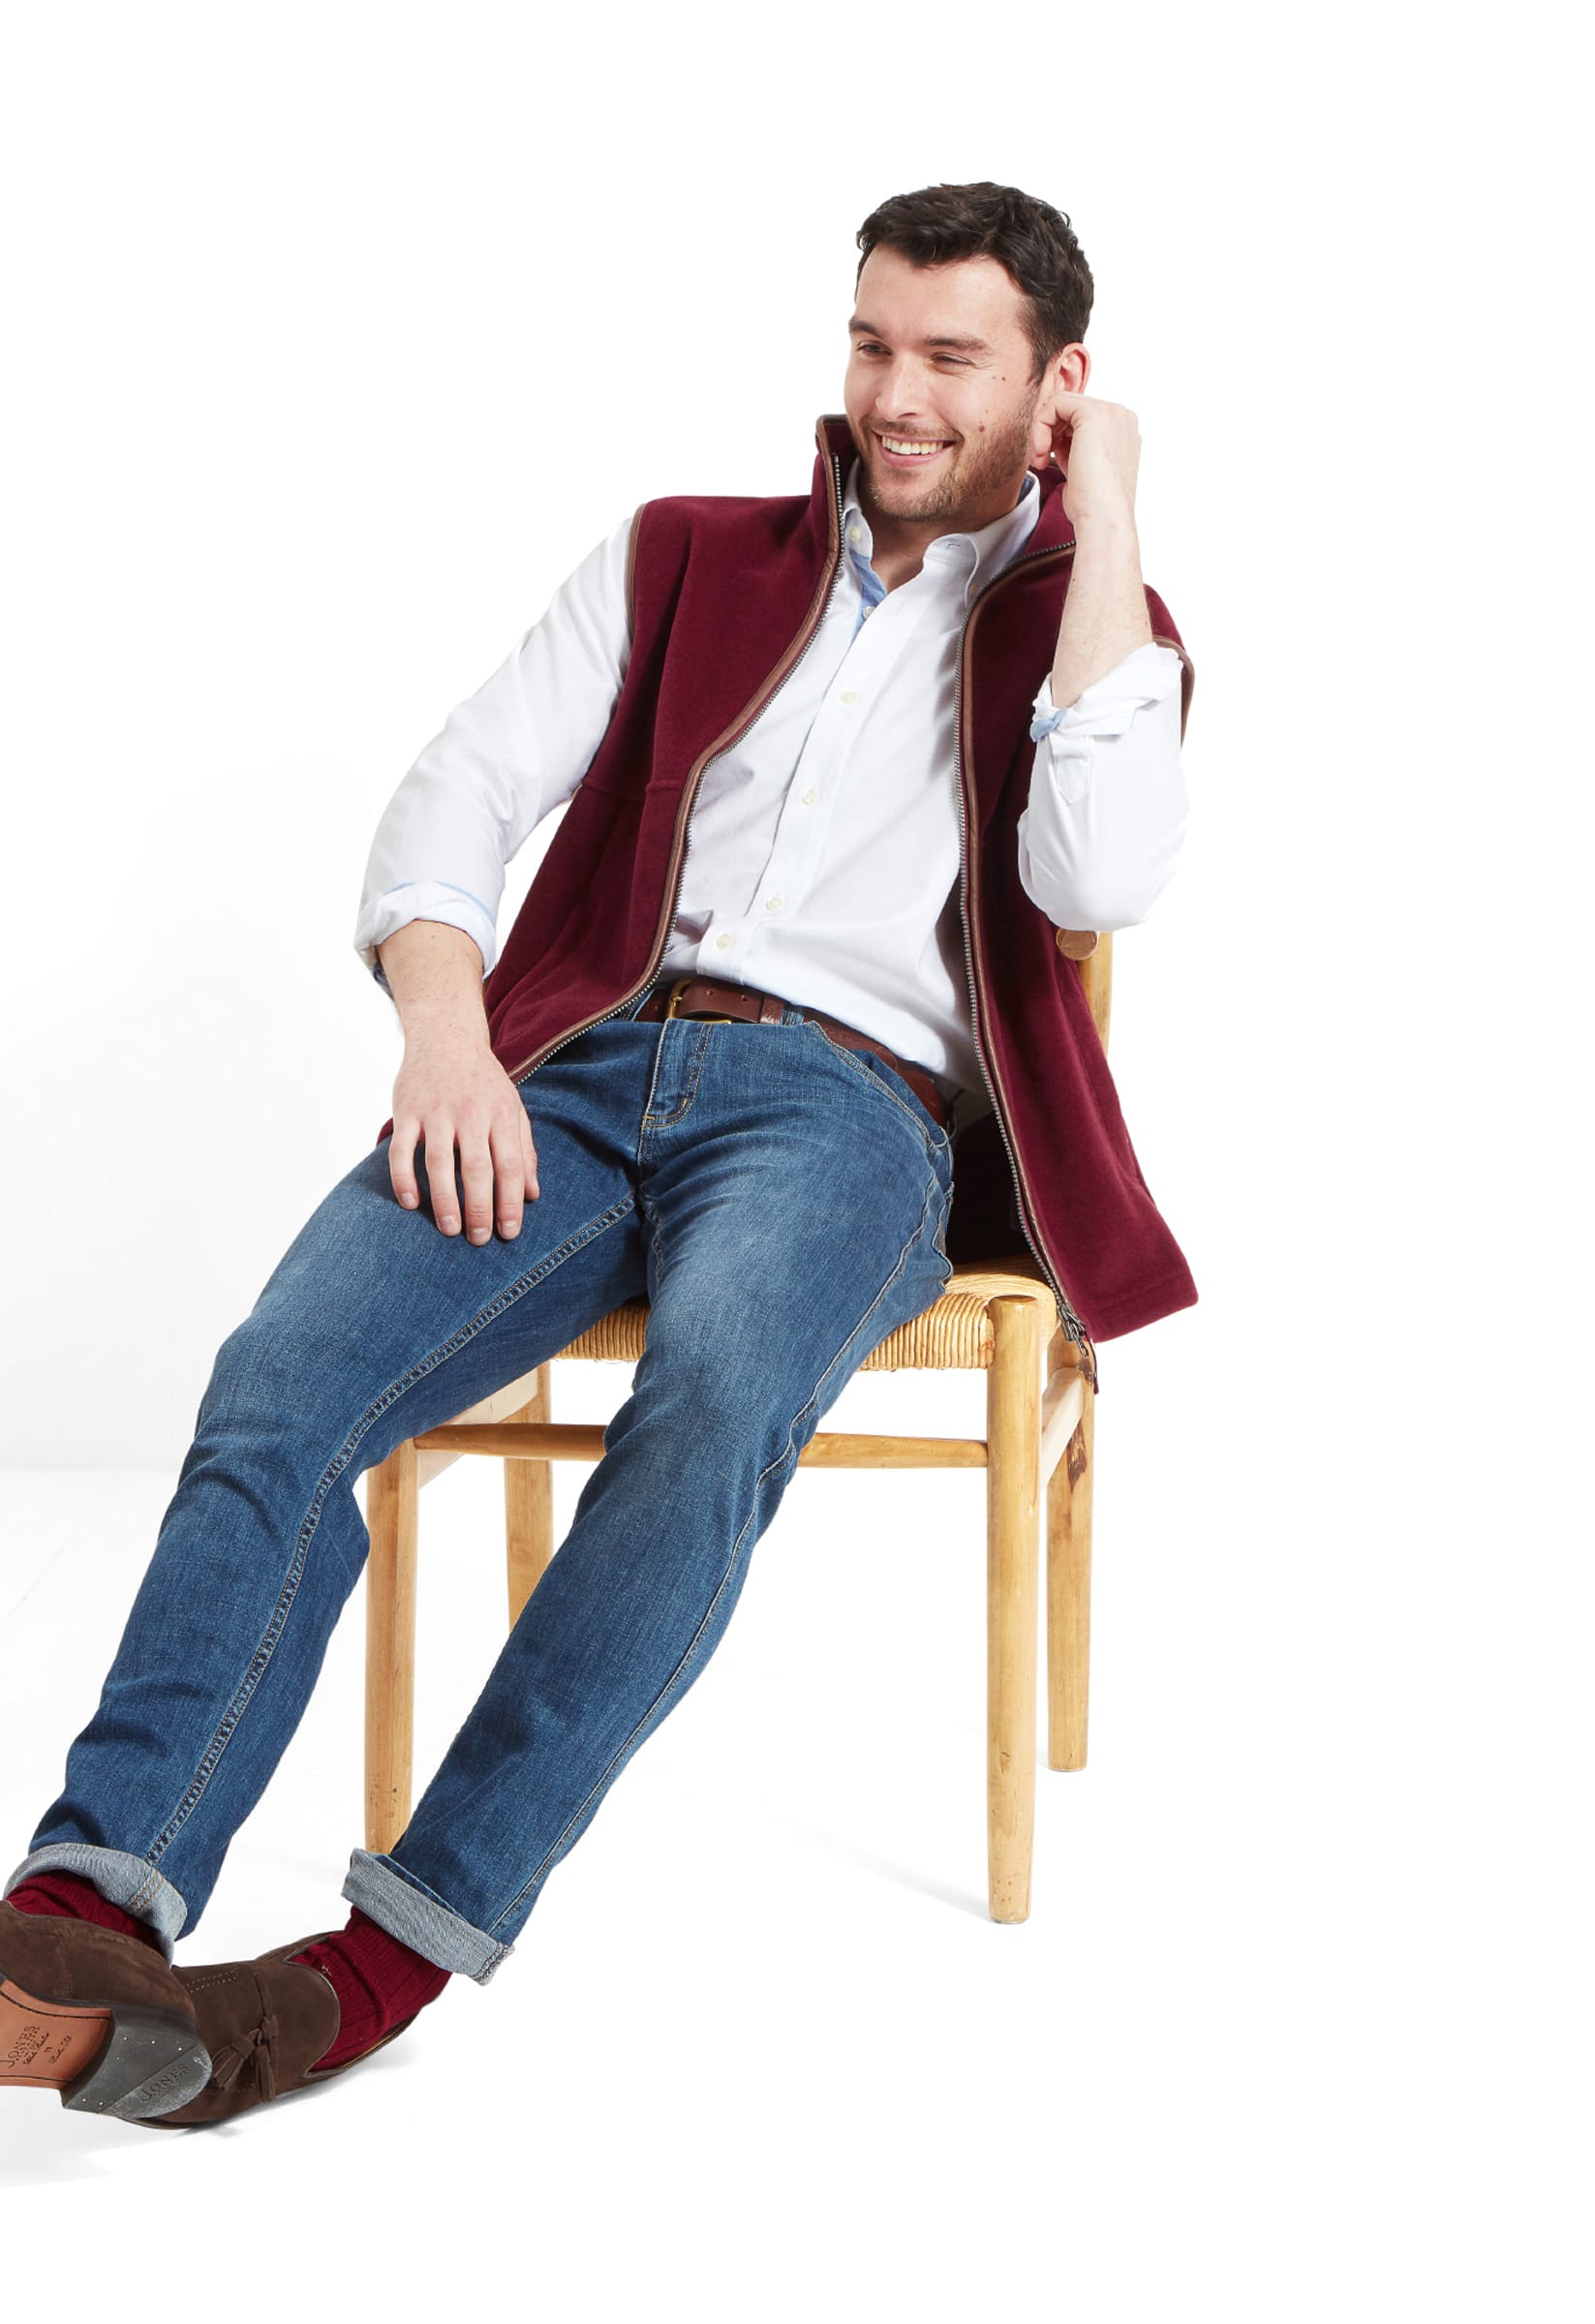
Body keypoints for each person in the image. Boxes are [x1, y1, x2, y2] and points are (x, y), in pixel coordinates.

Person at [0, 179, 1199, 2127]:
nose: (896, 394)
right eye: (872, 341)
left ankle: (386, 1956)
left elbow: (1102, 872)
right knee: (280, 1385)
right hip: (569, 1073)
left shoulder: (1102, 634)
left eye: (953, 358)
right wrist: (450, 1035)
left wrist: (1109, 519)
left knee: (713, 1407)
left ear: (1057, 385)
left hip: (853, 1115)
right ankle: (89, 1900)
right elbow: (459, 791)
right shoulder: (681, 554)